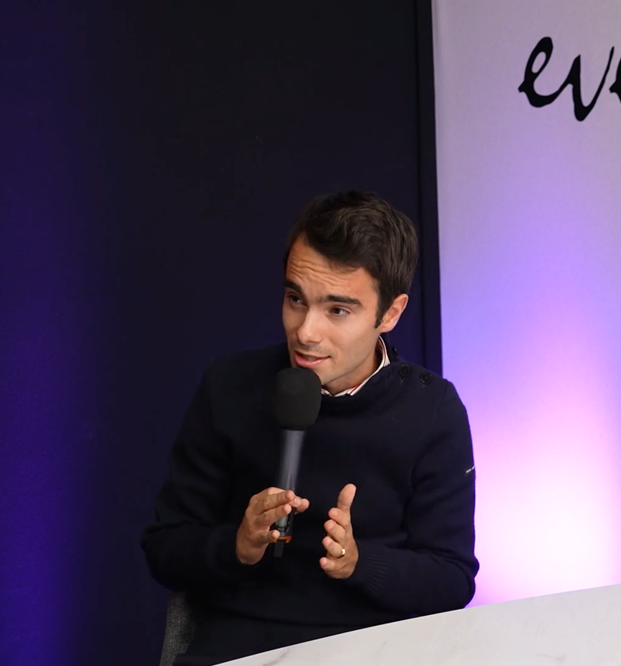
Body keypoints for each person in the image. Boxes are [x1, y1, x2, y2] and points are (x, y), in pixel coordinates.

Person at [142, 191, 478, 664]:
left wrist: (360, 563)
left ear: (390, 313)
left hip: (375, 650)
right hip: (241, 644)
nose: (305, 332)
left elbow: (452, 582)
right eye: (295, 299)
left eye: (337, 310)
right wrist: (237, 544)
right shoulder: (229, 386)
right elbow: (164, 549)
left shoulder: (433, 410)